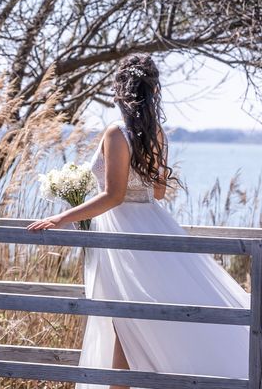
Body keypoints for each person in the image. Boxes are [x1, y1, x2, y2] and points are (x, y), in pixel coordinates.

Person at [26, 53, 250, 389]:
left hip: (124, 235)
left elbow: (113, 196)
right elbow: (157, 192)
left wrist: (63, 216)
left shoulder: (116, 133)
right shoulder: (156, 133)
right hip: (155, 226)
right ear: (152, 91)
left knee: (126, 323)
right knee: (131, 324)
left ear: (120, 90)